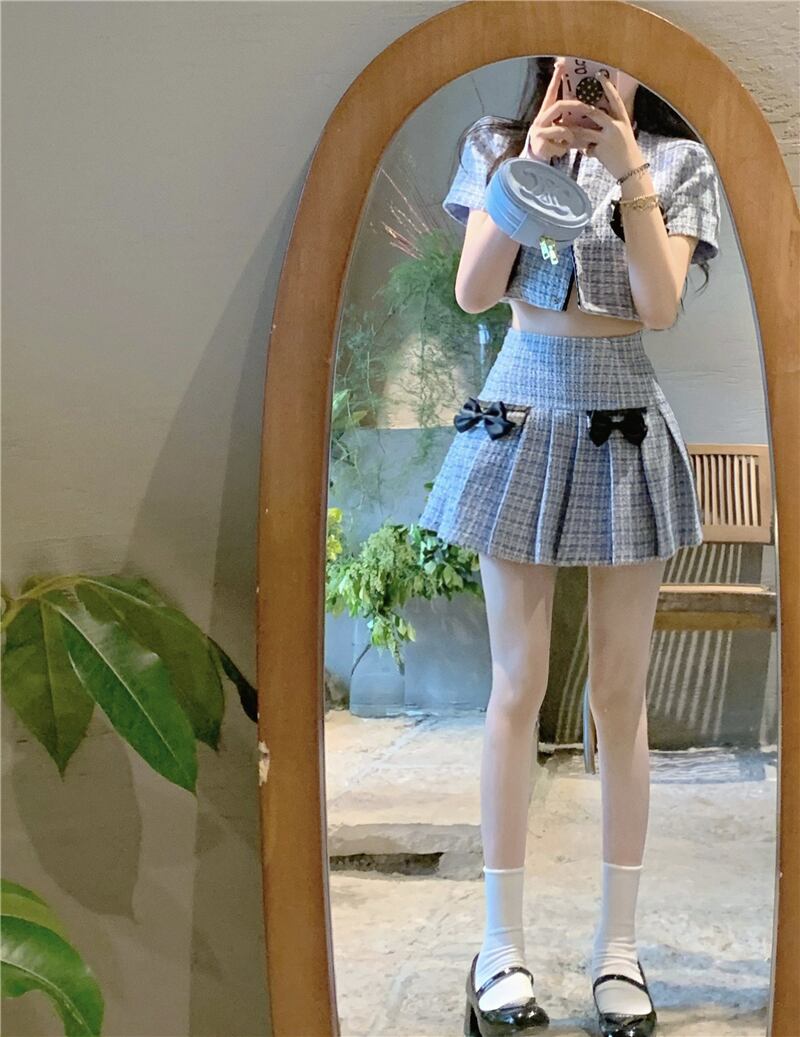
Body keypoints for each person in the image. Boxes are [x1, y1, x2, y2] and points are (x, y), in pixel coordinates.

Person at [417, 57, 721, 1037]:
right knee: (515, 684)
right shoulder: (496, 145)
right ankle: (498, 943)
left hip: (624, 420)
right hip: (518, 412)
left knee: (619, 697)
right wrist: (533, 165)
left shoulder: (677, 161)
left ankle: (617, 947)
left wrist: (627, 164)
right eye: (573, 52)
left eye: (608, 54)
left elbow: (657, 305)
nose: (590, 72)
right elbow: (473, 290)